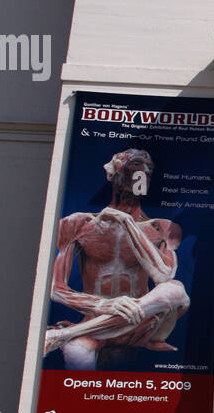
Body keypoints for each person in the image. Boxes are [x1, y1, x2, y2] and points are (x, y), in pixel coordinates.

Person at [44, 148, 189, 369]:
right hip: (97, 321)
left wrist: (128, 223)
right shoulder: (78, 224)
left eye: (147, 170)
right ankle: (73, 339)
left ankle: (66, 334)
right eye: (133, 167)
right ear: (113, 174)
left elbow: (162, 276)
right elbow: (56, 288)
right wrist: (106, 304)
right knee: (75, 352)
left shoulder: (162, 228)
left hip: (142, 320)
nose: (141, 174)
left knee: (176, 289)